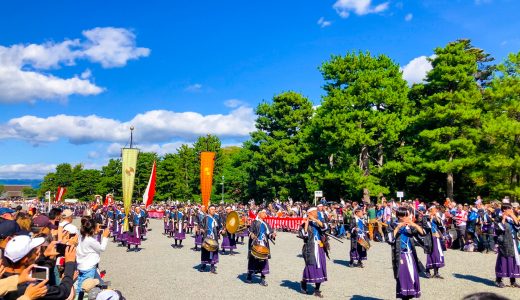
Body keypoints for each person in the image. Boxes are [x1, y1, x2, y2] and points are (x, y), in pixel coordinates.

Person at [1, 235, 77, 299]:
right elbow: (64, 291)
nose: (38, 251)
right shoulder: (31, 288)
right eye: (34, 250)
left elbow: (39, 275)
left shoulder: (5, 278)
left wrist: (46, 256)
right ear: (26, 260)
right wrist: (69, 264)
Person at [390, 207, 425, 299]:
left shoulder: (409, 226)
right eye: (406, 215)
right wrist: (398, 227)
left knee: (413, 276)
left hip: (410, 254)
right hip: (400, 255)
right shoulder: (393, 224)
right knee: (404, 277)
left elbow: (422, 234)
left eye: (408, 215)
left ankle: (409, 296)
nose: (408, 217)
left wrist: (414, 224)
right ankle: (404, 297)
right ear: (399, 216)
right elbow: (389, 239)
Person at [299, 207, 328, 298]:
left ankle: (317, 289)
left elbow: (324, 227)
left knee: (320, 266)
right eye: (315, 212)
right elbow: (304, 236)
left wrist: (315, 219)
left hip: (319, 247)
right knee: (310, 266)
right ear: (310, 213)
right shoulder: (304, 224)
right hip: (310, 248)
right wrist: (307, 224)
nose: (317, 212)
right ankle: (304, 282)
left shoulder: (318, 222)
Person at [76, 216, 109, 295]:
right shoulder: (90, 240)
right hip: (89, 268)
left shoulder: (82, 236)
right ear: (92, 229)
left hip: (82, 265)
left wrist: (96, 230)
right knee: (85, 290)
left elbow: (92, 238)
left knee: (82, 286)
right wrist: (105, 236)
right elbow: (102, 248)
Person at [246, 209, 275, 286]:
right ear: (259, 214)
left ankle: (262, 278)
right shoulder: (254, 222)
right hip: (256, 243)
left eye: (266, 213)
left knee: (264, 260)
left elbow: (269, 233)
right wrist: (251, 234)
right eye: (264, 213)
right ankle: (249, 275)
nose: (265, 214)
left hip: (263, 244)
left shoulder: (265, 223)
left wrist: (272, 235)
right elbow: (249, 231)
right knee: (253, 260)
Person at [494, 203, 520, 288]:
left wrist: (513, 216)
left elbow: (517, 228)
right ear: (505, 209)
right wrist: (504, 218)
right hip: (504, 243)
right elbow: (499, 229)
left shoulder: (511, 218)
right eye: (510, 209)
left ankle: (513, 281)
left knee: (513, 260)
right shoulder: (498, 217)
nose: (512, 210)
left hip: (513, 242)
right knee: (503, 261)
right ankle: (498, 280)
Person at [422, 205, 445, 279]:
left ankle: (436, 272)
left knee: (437, 254)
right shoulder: (425, 217)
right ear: (430, 210)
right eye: (434, 209)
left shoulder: (436, 217)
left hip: (436, 237)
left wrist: (436, 217)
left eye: (435, 209)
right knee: (430, 254)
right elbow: (426, 226)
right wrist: (431, 219)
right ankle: (428, 270)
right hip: (429, 238)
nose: (436, 210)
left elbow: (441, 224)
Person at [199, 205, 220, 274]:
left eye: (214, 209)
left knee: (213, 251)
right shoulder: (206, 218)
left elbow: (219, 227)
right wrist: (201, 229)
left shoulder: (216, 218)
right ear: (208, 210)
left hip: (214, 237)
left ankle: (212, 267)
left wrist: (221, 231)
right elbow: (201, 225)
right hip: (206, 237)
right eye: (212, 209)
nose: (213, 210)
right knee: (206, 250)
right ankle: (203, 265)